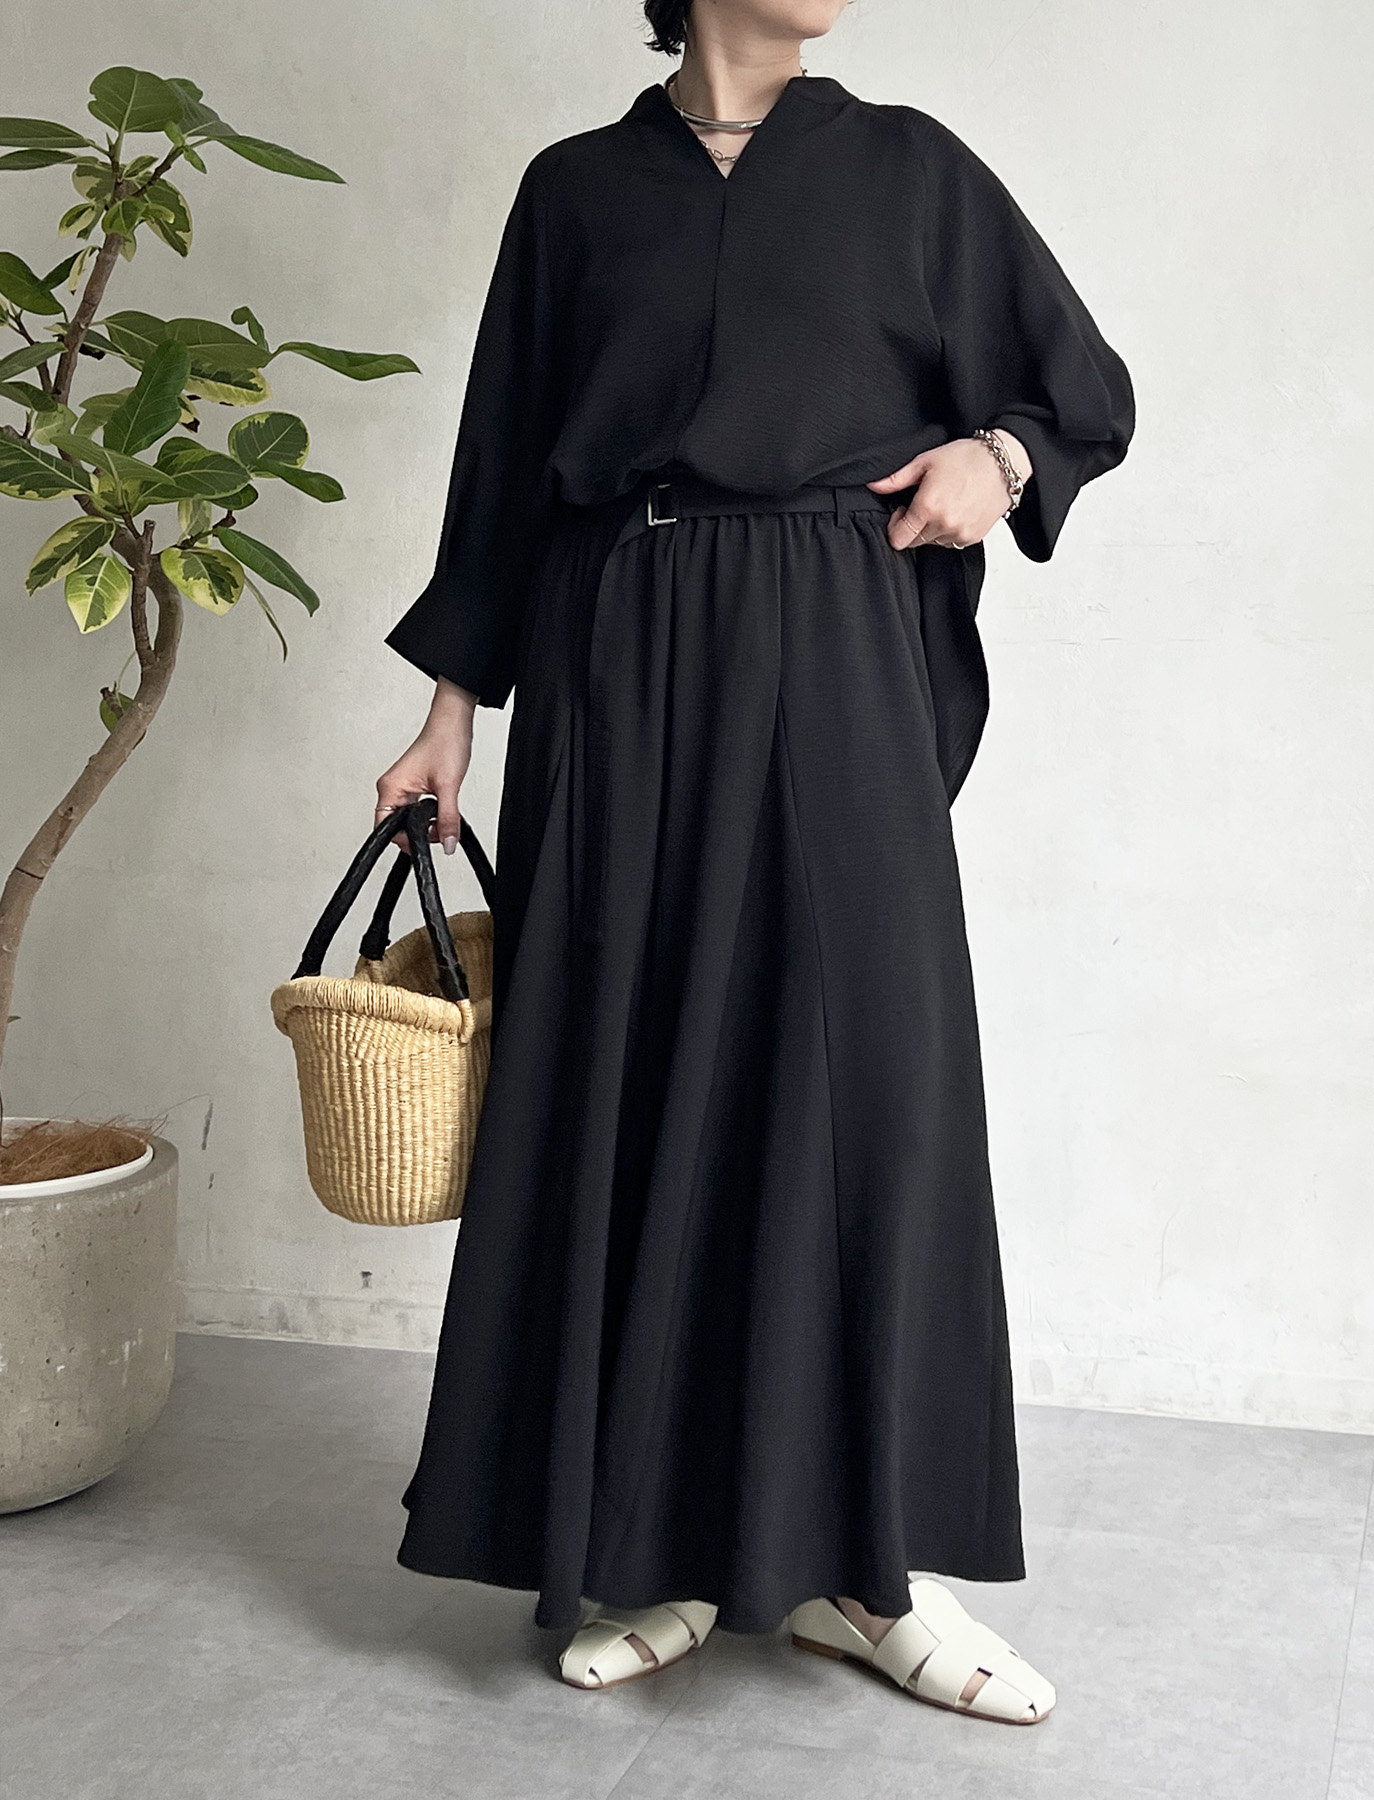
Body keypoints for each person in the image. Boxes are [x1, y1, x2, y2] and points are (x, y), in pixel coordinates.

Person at [374, 0, 1133, 1725]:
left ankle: (871, 1575)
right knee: (641, 1085)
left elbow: (1080, 384)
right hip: (621, 658)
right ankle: (663, 1550)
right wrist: (449, 715)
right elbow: (501, 474)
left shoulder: (911, 172)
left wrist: (996, 454)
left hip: (836, 642)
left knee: (868, 1095)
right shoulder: (576, 193)